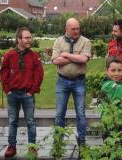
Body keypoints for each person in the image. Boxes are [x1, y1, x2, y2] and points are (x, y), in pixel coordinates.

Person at [0, 27, 44, 158]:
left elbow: (39, 74)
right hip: (12, 94)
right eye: (26, 38)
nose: (29, 40)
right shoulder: (9, 55)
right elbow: (3, 73)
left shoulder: (34, 56)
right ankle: (11, 146)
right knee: (12, 121)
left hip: (27, 95)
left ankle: (32, 147)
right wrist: (7, 90)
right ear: (19, 39)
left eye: (30, 37)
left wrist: (32, 91)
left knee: (30, 121)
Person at [51, 18, 91, 146]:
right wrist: (76, 58)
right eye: (73, 29)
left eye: (78, 28)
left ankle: (82, 140)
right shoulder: (58, 41)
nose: (76, 31)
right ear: (66, 29)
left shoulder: (86, 41)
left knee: (80, 113)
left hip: (79, 82)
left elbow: (84, 59)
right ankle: (58, 140)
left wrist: (66, 55)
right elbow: (55, 61)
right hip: (62, 81)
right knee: (59, 113)